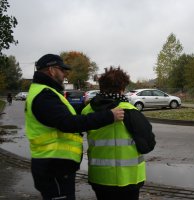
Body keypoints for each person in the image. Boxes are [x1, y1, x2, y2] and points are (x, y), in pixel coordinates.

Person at [25, 54, 124, 200]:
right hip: (54, 167)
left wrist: (82, 106)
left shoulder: (45, 92)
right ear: (51, 70)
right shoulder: (44, 95)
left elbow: (61, 115)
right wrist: (109, 116)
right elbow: (68, 123)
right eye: (62, 69)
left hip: (54, 165)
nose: (65, 73)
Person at [82, 66, 156, 200]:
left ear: (101, 87)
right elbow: (149, 144)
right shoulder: (130, 111)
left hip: (100, 178)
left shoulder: (87, 111)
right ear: (122, 88)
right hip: (130, 178)